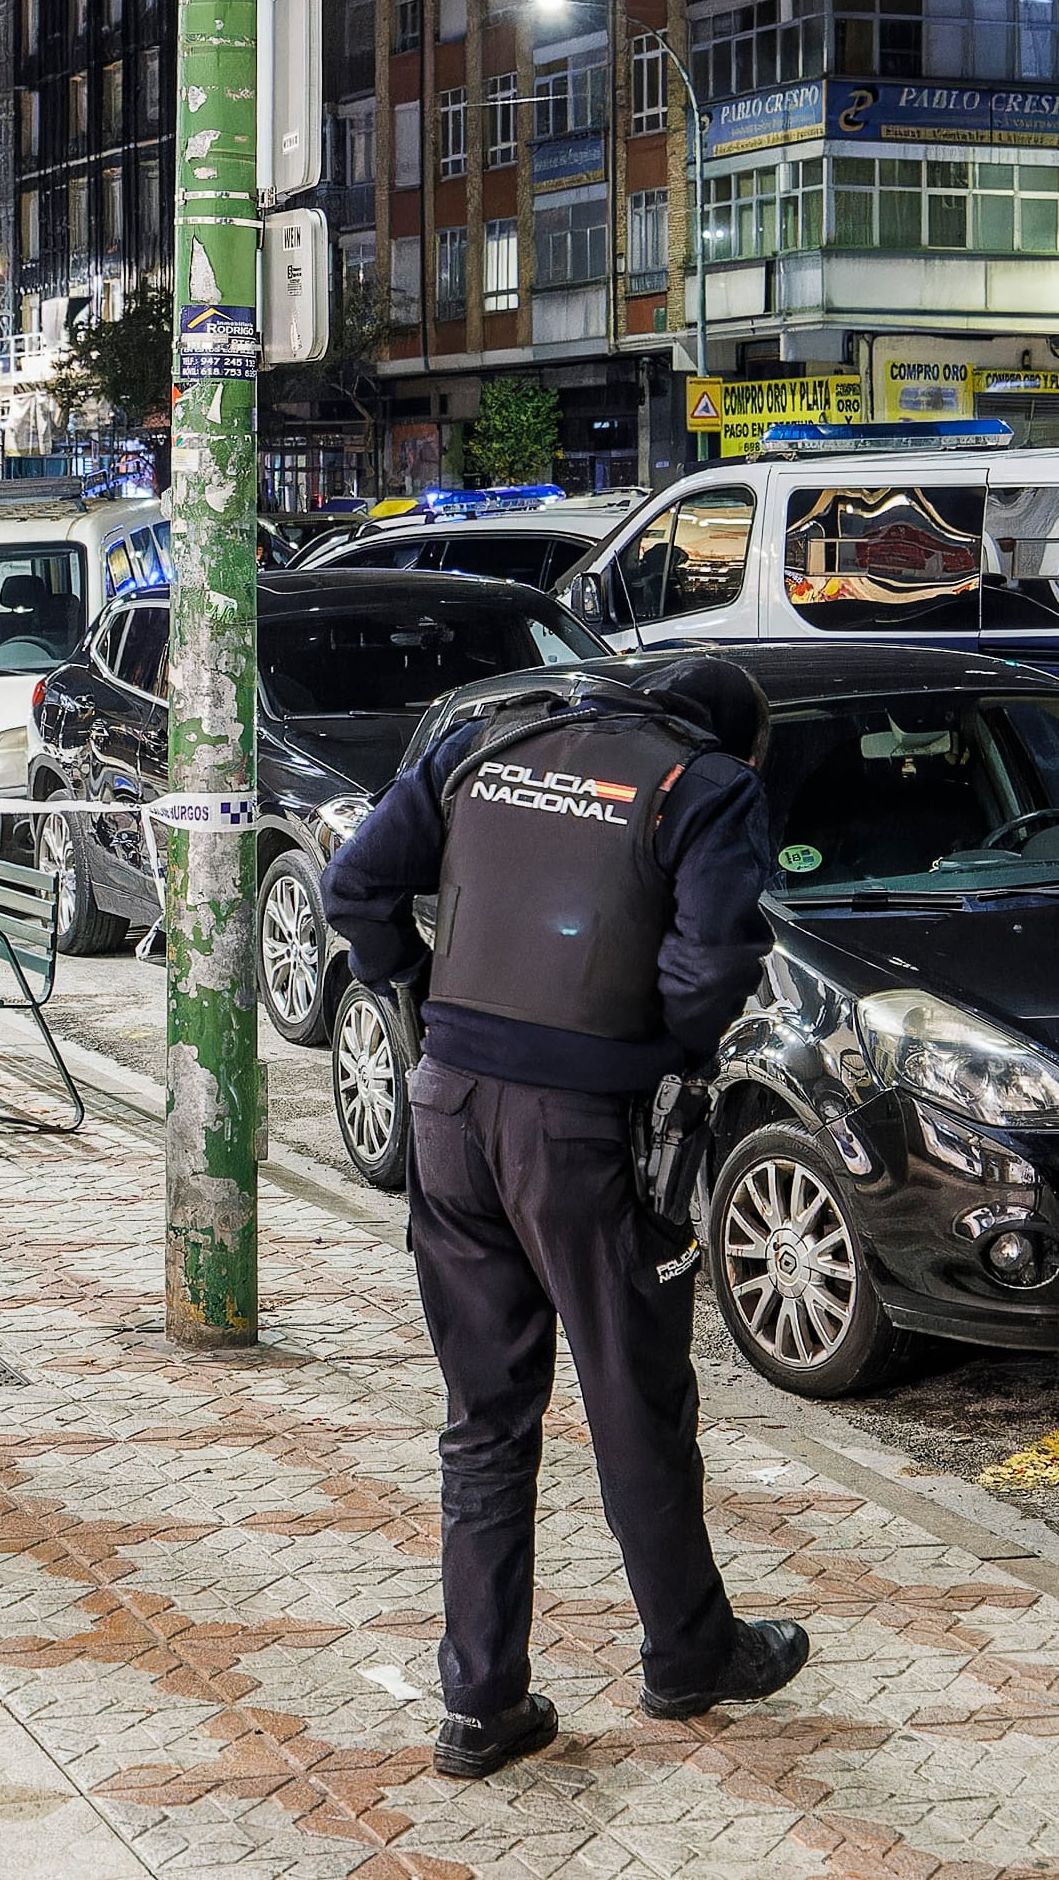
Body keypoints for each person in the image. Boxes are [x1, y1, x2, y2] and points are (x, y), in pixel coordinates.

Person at [318, 653, 807, 1779]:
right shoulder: (705, 784)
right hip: (580, 1124)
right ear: (732, 736)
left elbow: (356, 888)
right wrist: (665, 1052)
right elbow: (713, 960)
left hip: (445, 1104)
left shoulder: (481, 747)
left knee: (483, 1412)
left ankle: (480, 1701)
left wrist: (422, 985)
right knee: (634, 1394)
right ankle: (688, 1654)